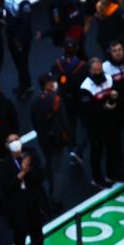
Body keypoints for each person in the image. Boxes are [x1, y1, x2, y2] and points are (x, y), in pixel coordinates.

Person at [1, 133, 46, 245]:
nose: (15, 142)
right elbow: (7, 187)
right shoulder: (5, 164)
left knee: (37, 236)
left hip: (33, 203)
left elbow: (41, 175)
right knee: (20, 239)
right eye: (11, 141)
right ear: (7, 146)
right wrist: (22, 172)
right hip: (17, 208)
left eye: (16, 139)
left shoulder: (31, 155)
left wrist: (29, 171)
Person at [79, 58, 123, 188]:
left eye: (100, 70)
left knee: (113, 148)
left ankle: (113, 173)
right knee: (97, 151)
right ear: (90, 71)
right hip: (95, 125)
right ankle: (97, 178)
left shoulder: (109, 79)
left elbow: (114, 95)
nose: (98, 72)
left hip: (111, 120)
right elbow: (87, 109)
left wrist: (114, 97)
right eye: (95, 70)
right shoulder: (85, 87)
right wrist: (104, 107)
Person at [31, 72, 70, 208]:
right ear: (47, 85)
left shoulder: (35, 102)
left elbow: (34, 122)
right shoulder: (57, 100)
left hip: (44, 139)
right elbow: (64, 120)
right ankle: (56, 199)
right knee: (58, 169)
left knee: (49, 163)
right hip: (57, 139)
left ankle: (50, 188)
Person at [51, 38, 89, 168]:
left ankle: (72, 151)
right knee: (86, 127)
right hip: (80, 100)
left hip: (65, 101)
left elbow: (54, 84)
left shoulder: (57, 65)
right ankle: (78, 152)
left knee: (69, 128)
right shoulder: (83, 66)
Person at [103, 40, 124, 173]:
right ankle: (120, 162)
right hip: (116, 108)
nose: (117, 53)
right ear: (110, 53)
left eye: (119, 50)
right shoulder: (105, 67)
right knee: (117, 136)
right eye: (114, 51)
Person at [4, 0, 34, 100]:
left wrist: (19, 40)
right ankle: (24, 85)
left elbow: (27, 22)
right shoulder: (8, 1)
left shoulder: (24, 3)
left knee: (22, 63)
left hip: (21, 40)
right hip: (12, 38)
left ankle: (26, 88)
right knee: (18, 64)